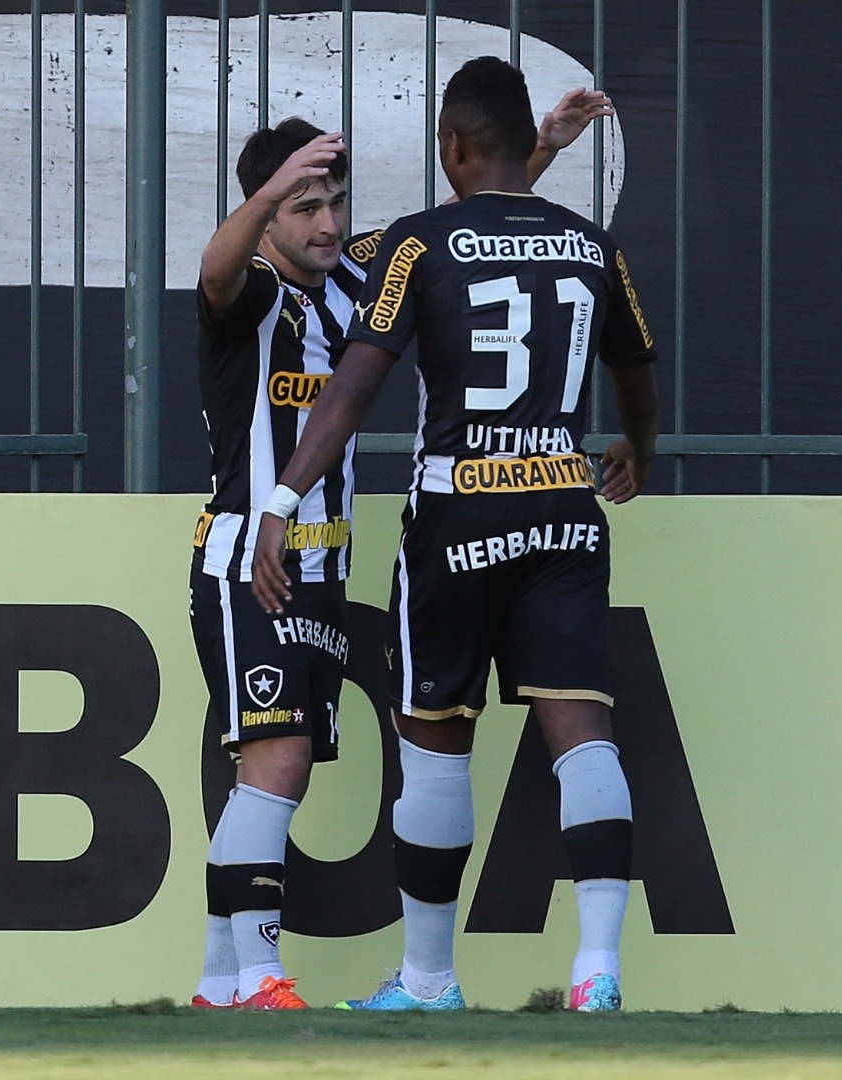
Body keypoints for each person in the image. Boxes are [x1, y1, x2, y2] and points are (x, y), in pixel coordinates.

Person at [247, 56, 660, 1014]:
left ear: (451, 149)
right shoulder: (594, 247)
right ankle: (599, 975)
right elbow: (637, 376)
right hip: (563, 502)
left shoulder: (419, 246)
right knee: (582, 733)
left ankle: (430, 981)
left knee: (434, 742)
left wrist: (280, 500)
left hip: (457, 514)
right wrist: (640, 454)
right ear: (527, 144)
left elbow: (351, 392)